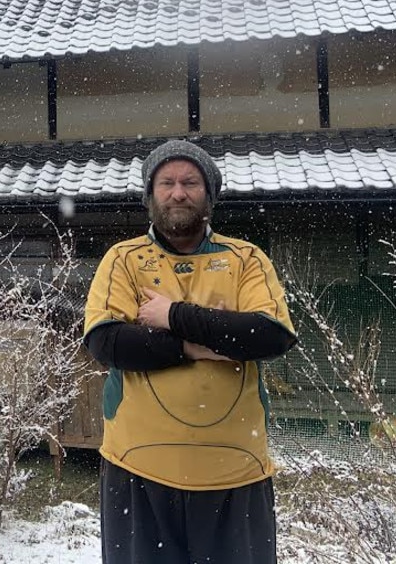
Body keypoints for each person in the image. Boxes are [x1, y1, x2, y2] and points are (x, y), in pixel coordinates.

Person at [83, 139, 297, 564]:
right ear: (150, 195)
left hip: (236, 470)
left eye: (190, 182)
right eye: (166, 182)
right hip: (137, 469)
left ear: (209, 196)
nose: (177, 192)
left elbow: (269, 335)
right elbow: (108, 342)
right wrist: (197, 343)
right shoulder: (123, 260)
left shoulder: (246, 259)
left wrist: (172, 315)